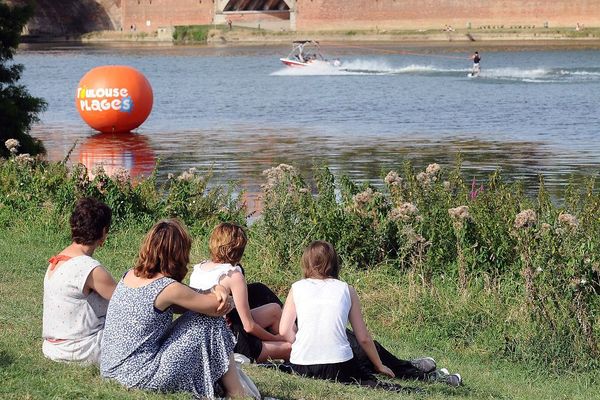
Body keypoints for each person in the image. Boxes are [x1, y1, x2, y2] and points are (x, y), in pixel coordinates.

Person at [279, 241, 462, 389]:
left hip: (302, 366)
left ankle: (419, 370)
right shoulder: (346, 289)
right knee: (372, 379)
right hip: (337, 365)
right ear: (334, 263)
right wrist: (379, 365)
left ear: (306, 263)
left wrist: (304, 345)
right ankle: (431, 378)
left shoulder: (296, 288)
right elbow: (364, 338)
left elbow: (284, 330)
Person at [100, 219, 245, 399]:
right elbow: (217, 308)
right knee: (210, 319)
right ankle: (237, 392)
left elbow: (193, 297)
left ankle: (226, 385)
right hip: (137, 376)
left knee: (201, 314)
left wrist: (217, 288)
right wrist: (223, 295)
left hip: (111, 370)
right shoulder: (167, 288)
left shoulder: (130, 274)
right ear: (178, 253)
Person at [189, 222, 291, 363]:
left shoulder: (199, 268)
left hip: (202, 333)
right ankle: (302, 353)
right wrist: (275, 338)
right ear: (239, 249)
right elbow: (248, 326)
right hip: (230, 340)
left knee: (274, 309)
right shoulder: (233, 275)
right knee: (289, 347)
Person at [42, 197, 116, 364]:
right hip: (79, 349)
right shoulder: (89, 268)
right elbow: (125, 301)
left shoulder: (60, 259)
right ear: (103, 232)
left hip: (52, 347)